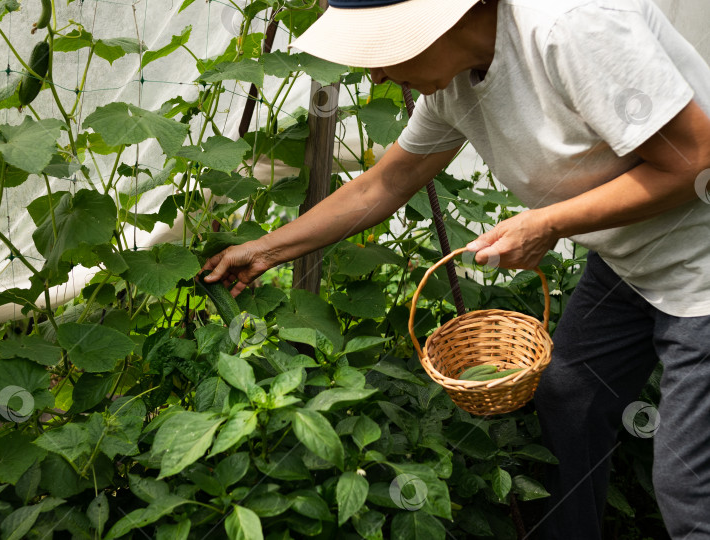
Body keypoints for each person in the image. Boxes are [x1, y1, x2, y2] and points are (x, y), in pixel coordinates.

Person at [200, 0, 710, 537]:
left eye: (383, 46)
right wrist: (267, 250)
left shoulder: (572, 27)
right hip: (633, 264)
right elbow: (385, 184)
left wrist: (547, 224)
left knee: (688, 490)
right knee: (571, 398)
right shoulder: (453, 83)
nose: (375, 72)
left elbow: (694, 159)